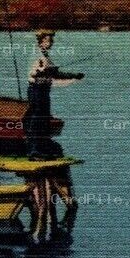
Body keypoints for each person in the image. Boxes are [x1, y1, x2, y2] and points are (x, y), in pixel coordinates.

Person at [25, 29, 82, 160]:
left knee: (43, 119)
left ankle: (41, 149)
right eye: (48, 40)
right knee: (37, 120)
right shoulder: (38, 55)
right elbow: (39, 73)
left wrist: (72, 75)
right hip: (37, 90)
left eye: (51, 40)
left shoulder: (45, 57)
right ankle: (33, 152)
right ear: (41, 41)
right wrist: (52, 71)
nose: (50, 43)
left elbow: (54, 74)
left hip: (43, 90)